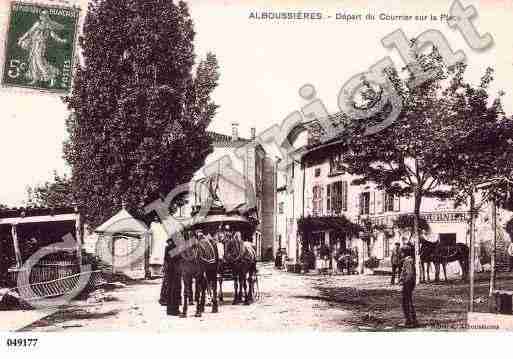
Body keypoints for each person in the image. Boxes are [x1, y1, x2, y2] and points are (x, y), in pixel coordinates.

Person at [399, 245, 417, 328]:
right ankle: (413, 320)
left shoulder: (408, 261)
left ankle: (409, 321)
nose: (401, 253)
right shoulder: (409, 260)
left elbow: (409, 274)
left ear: (404, 253)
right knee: (408, 301)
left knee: (406, 302)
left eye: (401, 252)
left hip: (408, 283)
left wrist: (405, 282)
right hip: (409, 283)